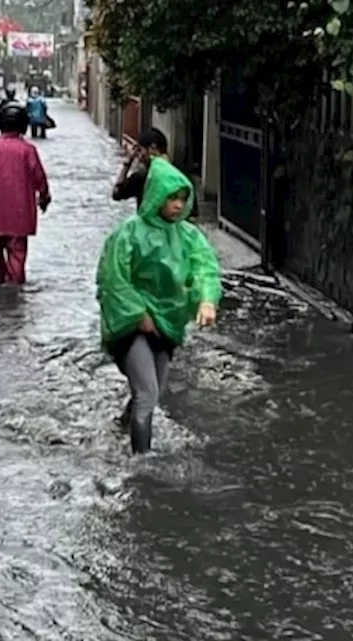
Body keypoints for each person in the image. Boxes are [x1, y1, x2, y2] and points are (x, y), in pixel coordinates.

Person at [96, 157, 222, 454]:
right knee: (148, 392)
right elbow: (113, 278)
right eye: (171, 198)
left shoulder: (190, 237)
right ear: (156, 196)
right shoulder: (128, 233)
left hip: (168, 323)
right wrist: (138, 314)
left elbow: (205, 269)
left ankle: (123, 424)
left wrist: (207, 301)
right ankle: (142, 463)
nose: (178, 205)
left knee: (153, 390)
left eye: (182, 199)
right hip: (130, 324)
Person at [0, 103, 52, 285]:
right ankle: (15, 298)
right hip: (21, 217)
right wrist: (44, 197)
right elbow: (39, 177)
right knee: (17, 261)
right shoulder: (28, 150)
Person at [112, 127, 169, 207]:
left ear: (152, 148)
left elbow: (116, 193)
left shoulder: (142, 177)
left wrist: (128, 163)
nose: (139, 156)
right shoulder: (177, 175)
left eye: (140, 150)